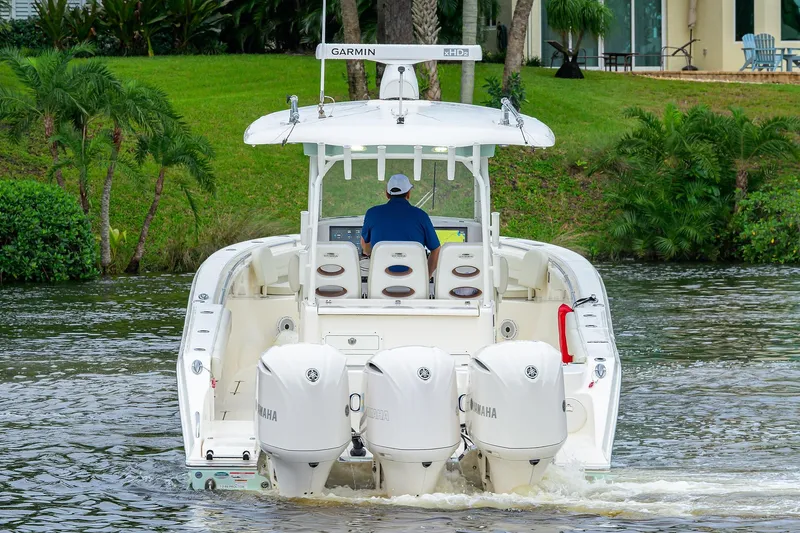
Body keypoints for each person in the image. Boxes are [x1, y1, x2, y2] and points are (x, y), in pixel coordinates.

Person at [360, 174, 441, 275]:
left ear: (387, 194)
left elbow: (365, 246)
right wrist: (425, 278)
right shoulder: (421, 216)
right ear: (408, 194)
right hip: (414, 286)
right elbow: (436, 249)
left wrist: (368, 251)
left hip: (380, 285)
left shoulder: (372, 214)